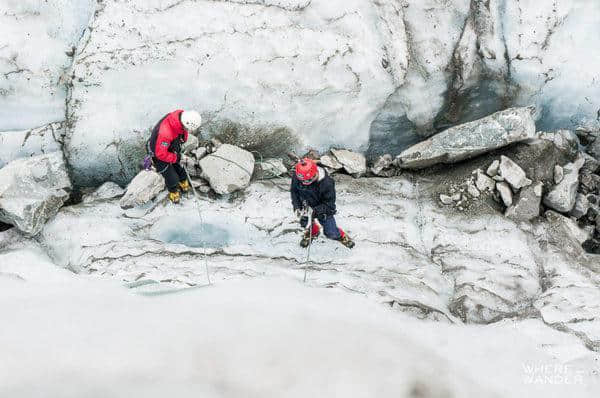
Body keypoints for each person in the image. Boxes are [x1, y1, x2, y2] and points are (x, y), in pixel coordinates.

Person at [291, 158, 355, 249]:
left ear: (315, 174)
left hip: (323, 209)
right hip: (305, 205)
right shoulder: (299, 175)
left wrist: (315, 211)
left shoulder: (327, 183)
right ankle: (313, 232)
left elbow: (330, 205)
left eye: (308, 181)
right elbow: (294, 191)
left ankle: (340, 236)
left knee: (331, 232)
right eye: (303, 181)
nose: (305, 183)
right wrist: (297, 206)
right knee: (306, 224)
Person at [147, 109, 202, 203]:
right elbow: (160, 154)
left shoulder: (180, 119)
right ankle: (173, 191)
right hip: (158, 152)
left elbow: (182, 131)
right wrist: (178, 157)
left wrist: (183, 140)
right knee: (170, 176)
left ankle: (183, 181)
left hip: (171, 144)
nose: (189, 131)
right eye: (188, 129)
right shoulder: (165, 132)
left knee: (181, 167)